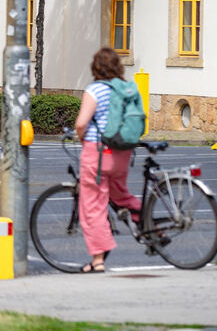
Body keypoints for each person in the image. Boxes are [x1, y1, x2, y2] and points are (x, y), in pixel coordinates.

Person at [73, 47, 142, 273]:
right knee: (120, 194)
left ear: (96, 68)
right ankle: (150, 225)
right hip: (123, 151)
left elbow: (82, 123)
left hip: (100, 152)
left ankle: (98, 260)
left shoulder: (95, 90)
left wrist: (82, 139)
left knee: (92, 205)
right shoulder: (126, 88)